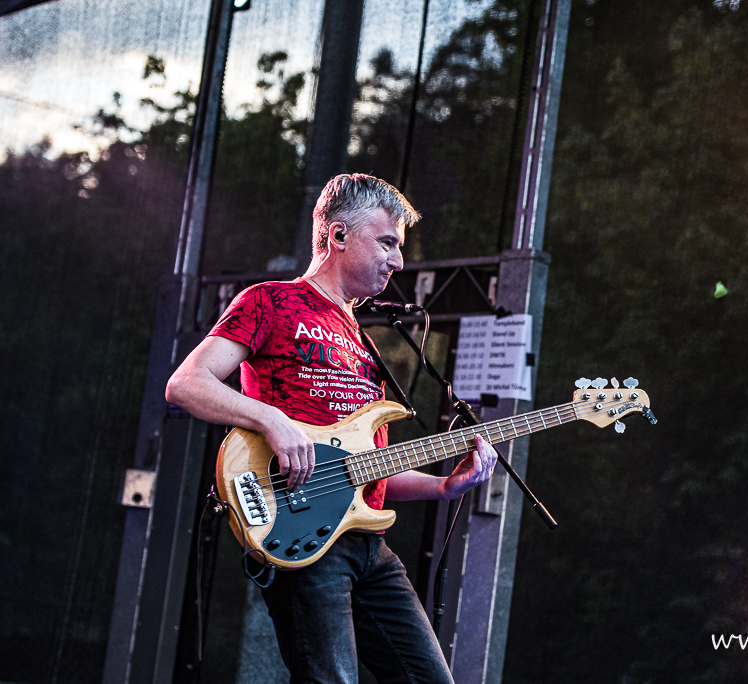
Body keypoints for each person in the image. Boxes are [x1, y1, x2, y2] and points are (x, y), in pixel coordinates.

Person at [165, 173, 498, 684]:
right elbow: (186, 383)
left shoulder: (366, 343)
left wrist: (444, 486)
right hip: (300, 531)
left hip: (368, 544)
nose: (398, 261)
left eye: (398, 246)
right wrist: (272, 419)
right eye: (386, 243)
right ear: (338, 235)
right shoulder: (270, 301)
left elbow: (362, 471)